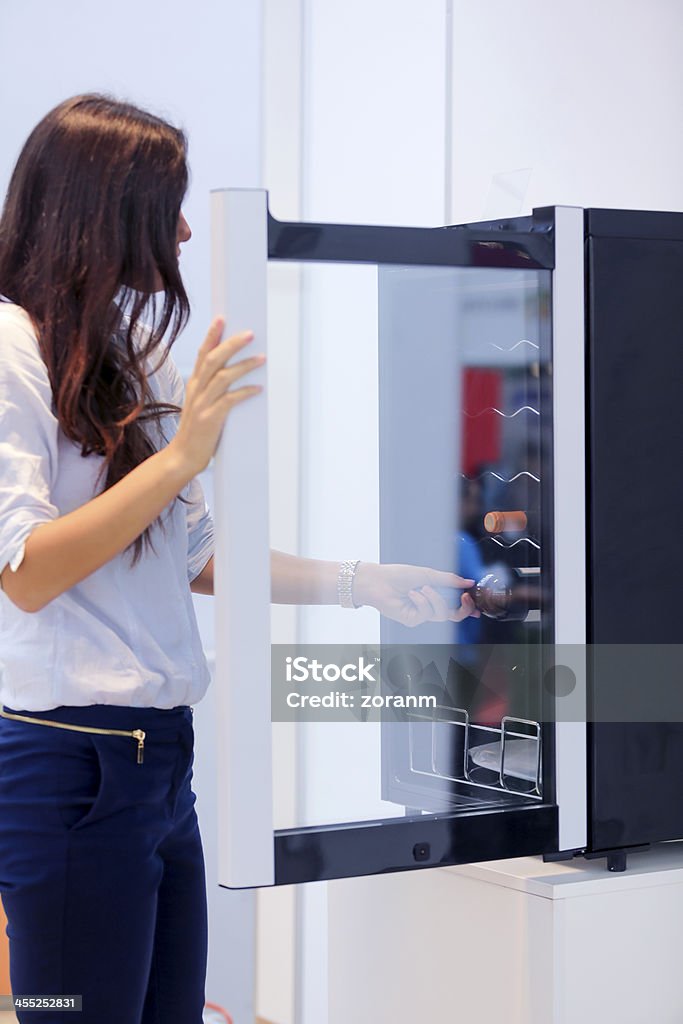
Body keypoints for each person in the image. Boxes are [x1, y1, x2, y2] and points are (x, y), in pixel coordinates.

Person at [0, 94, 477, 1024]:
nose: (183, 230)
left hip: (156, 765)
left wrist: (365, 586)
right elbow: (26, 571)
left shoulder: (134, 356)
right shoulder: (7, 346)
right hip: (68, 770)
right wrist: (184, 454)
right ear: (107, 211)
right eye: (165, 205)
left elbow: (194, 555)